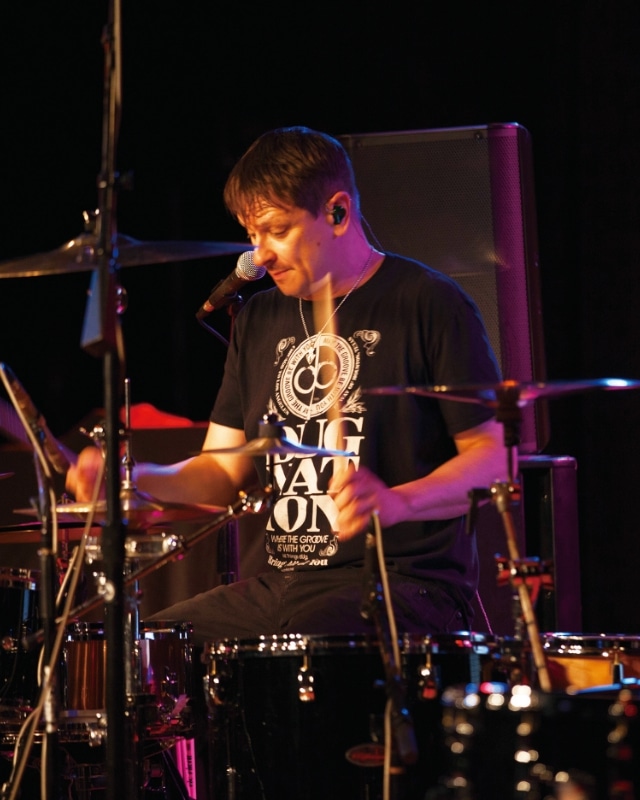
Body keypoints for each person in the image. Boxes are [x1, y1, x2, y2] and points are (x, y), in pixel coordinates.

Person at [66, 125, 507, 647]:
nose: (261, 255)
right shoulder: (258, 319)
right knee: (147, 646)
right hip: (285, 585)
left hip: (406, 585)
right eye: (252, 235)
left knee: (312, 641)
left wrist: (398, 502)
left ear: (337, 212)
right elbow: (221, 471)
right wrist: (133, 482)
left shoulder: (428, 303)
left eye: (276, 230)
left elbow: (493, 461)